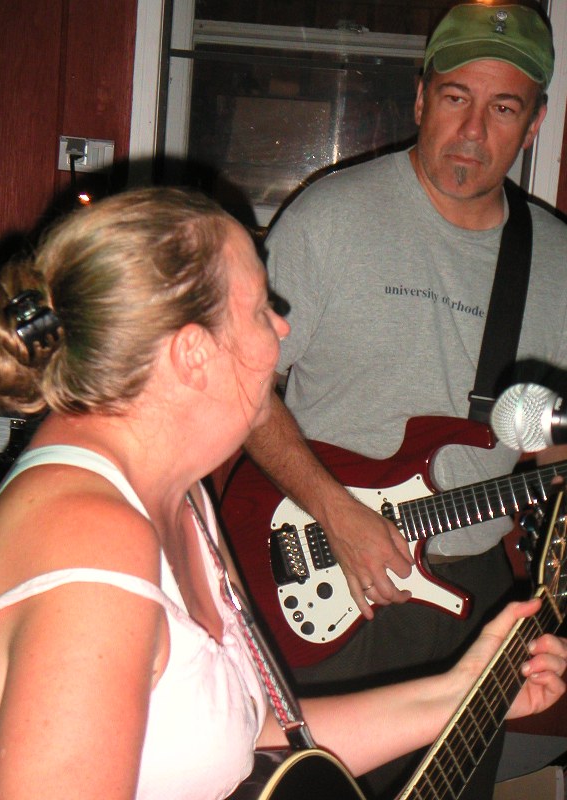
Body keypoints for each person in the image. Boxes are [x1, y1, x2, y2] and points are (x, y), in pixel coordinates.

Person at [0, 187, 564, 800]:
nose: (282, 327)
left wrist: (464, 692)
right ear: (193, 354)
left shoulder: (179, 496)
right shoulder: (93, 553)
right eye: (261, 309)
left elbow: (243, 735)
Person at [240, 3, 567, 798]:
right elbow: (240, 386)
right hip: (324, 571)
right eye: (456, 97)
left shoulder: (559, 260)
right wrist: (335, 511)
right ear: (420, 98)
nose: (472, 131)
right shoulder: (330, 219)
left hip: (473, 594)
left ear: (534, 124)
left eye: (503, 109)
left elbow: (549, 442)